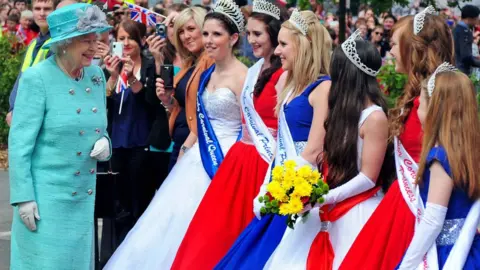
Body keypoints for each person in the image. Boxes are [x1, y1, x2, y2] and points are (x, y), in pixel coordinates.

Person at [103, 0, 247, 268]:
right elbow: (188, 110)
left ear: (233, 37)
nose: (193, 37)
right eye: (202, 33)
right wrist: (169, 102)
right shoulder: (202, 69)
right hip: (191, 146)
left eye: (202, 31)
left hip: (217, 152)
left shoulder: (228, 72)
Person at [172, 1, 288, 269]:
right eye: (249, 34)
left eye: (258, 34)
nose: (252, 40)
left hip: (263, 160)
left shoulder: (282, 75)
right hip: (240, 160)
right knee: (210, 234)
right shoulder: (255, 71)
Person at [340, 6, 456, 270]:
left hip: (419, 210)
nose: (390, 51)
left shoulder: (437, 96)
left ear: (414, 48)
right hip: (400, 203)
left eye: (394, 44)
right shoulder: (418, 95)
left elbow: (448, 160)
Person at [217, 9, 332, 269]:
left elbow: (314, 150)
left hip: (300, 192)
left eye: (283, 44)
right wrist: (267, 189)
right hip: (283, 185)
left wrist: (281, 191)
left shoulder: (323, 87)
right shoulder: (291, 85)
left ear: (303, 47)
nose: (277, 51)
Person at [265, 30, 389, 269]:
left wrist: (325, 197)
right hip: (328, 201)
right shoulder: (340, 109)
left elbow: (368, 177)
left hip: (356, 207)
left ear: (348, 74)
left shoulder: (374, 118)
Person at [8, 3, 112, 269]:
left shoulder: (96, 76)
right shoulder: (37, 79)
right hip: (45, 202)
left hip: (81, 199)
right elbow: (20, 144)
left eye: (95, 39)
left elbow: (101, 128)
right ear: (65, 43)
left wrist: (105, 144)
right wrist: (23, 198)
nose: (93, 47)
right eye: (86, 41)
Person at [397, 64, 480, 269]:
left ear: (436, 109)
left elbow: (433, 221)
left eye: (421, 105)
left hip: (445, 255)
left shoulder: (440, 157)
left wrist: (406, 265)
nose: (418, 112)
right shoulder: (469, 150)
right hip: (471, 247)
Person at [103, 20, 159, 226]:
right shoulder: (110, 67)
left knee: (140, 200)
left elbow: (150, 101)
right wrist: (114, 77)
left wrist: (131, 78)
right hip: (117, 141)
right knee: (119, 202)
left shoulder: (150, 66)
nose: (126, 43)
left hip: (141, 141)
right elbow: (103, 101)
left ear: (141, 41)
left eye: (131, 38)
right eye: (121, 38)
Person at [155, 7, 214, 170]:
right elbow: (183, 106)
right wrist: (167, 99)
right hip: (181, 141)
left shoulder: (210, 61)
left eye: (191, 29)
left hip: (195, 146)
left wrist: (186, 147)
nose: (185, 36)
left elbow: (206, 111)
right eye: (180, 31)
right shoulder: (190, 63)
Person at [6, 0, 56, 126]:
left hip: (43, 117)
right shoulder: (33, 43)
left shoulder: (59, 44)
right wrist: (12, 109)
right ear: (32, 11)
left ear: (55, 11)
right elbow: (21, 78)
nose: (42, 13)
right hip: (23, 114)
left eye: (47, 9)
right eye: (38, 8)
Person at [454, 4, 480, 75]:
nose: (477, 20)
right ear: (470, 19)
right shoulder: (464, 32)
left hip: (455, 69)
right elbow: (466, 57)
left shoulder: (456, 29)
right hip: (462, 71)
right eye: (476, 18)